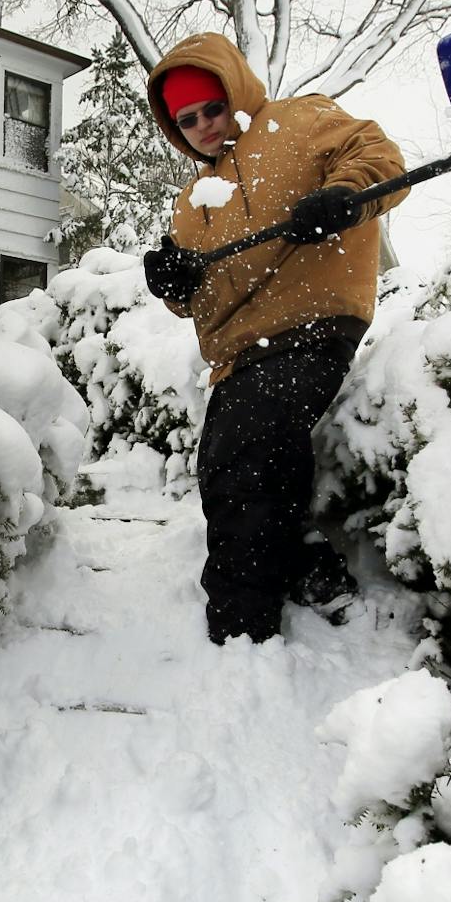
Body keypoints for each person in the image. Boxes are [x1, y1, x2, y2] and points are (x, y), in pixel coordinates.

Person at [141, 32, 407, 645]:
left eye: (213, 108)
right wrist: (173, 282)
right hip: (239, 357)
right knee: (232, 464)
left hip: (313, 326)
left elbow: (379, 157)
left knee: (244, 452)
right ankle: (312, 568)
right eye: (188, 120)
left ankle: (240, 630)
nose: (205, 127)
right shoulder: (192, 202)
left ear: (235, 94)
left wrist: (343, 198)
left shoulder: (299, 121)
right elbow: (198, 299)